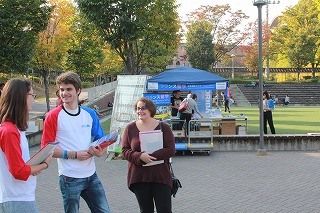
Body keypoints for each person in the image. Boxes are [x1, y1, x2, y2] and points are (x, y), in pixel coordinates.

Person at [41, 71, 110, 213]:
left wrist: (99, 151)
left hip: (91, 175)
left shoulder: (89, 114)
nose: (64, 93)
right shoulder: (53, 116)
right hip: (69, 178)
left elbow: (101, 140)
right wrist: (73, 154)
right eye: (62, 89)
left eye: (69, 89)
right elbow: (46, 150)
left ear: (78, 90)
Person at [0, 78, 52, 213]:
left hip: (18, 198)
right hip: (17, 199)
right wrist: (44, 164)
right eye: (32, 95)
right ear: (21, 97)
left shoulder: (14, 129)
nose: (33, 99)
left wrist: (34, 167)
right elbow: (18, 171)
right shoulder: (9, 131)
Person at [122, 97, 175, 213]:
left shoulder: (164, 127)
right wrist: (140, 156)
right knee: (145, 210)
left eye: (143, 108)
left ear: (150, 109)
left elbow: (171, 149)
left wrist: (150, 156)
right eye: (138, 108)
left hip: (160, 176)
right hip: (140, 177)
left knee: (165, 210)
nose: (140, 111)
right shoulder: (129, 128)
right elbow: (125, 151)